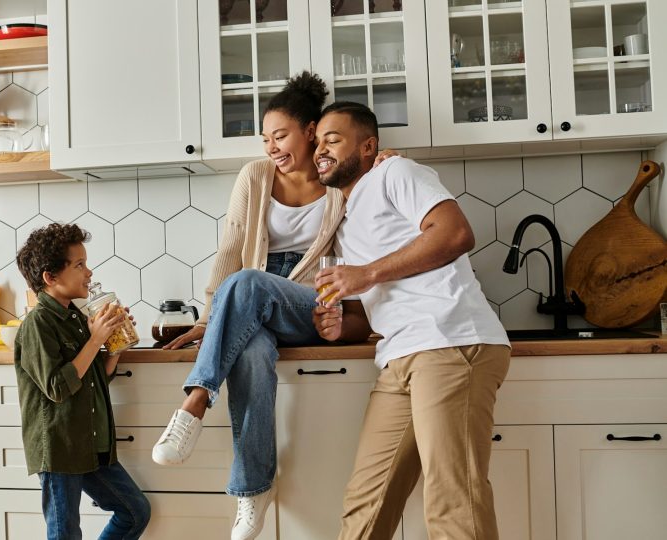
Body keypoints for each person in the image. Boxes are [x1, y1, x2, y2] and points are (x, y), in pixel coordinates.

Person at [151, 71, 394, 540]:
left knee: (249, 283)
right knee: (253, 351)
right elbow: (232, 247)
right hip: (248, 305)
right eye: (265, 139)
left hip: (308, 305)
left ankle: (195, 401)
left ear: (310, 132)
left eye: (279, 136)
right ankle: (252, 491)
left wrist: (385, 159)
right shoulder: (255, 176)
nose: (271, 148)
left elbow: (375, 192)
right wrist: (212, 317)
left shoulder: (341, 181)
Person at [311, 102, 511, 540]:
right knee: (367, 502)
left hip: (448, 340)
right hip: (398, 354)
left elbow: (455, 233)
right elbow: (379, 299)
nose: (320, 150)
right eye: (317, 142)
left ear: (368, 146)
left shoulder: (395, 174)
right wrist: (345, 325)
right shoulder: (344, 218)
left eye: (333, 139)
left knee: (454, 502)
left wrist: (364, 274)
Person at [14, 223, 151, 540]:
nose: (88, 272)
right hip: (61, 449)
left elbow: (94, 377)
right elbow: (58, 388)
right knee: (65, 534)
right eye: (79, 265)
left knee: (134, 512)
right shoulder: (37, 324)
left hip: (90, 446)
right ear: (51, 277)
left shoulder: (76, 317)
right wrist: (95, 340)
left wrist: (114, 344)